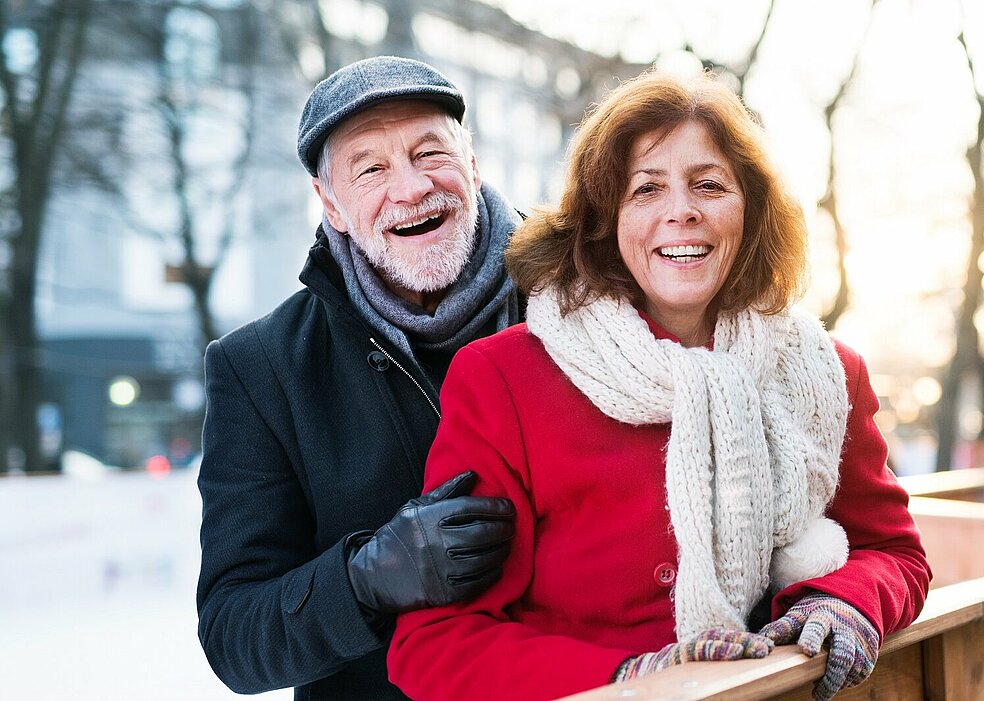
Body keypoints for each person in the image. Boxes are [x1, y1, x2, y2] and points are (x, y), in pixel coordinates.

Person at [388, 71, 932, 701]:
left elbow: (892, 552)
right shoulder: (505, 378)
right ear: (604, 219)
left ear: (749, 210)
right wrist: (626, 680)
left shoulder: (828, 372)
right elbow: (434, 641)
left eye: (710, 185)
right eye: (646, 189)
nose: (683, 211)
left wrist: (845, 605)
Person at [196, 57, 524, 700]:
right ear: (332, 205)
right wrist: (366, 579)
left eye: (430, 153)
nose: (409, 188)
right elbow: (234, 636)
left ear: (473, 164)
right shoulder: (261, 370)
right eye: (370, 168)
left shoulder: (581, 297)